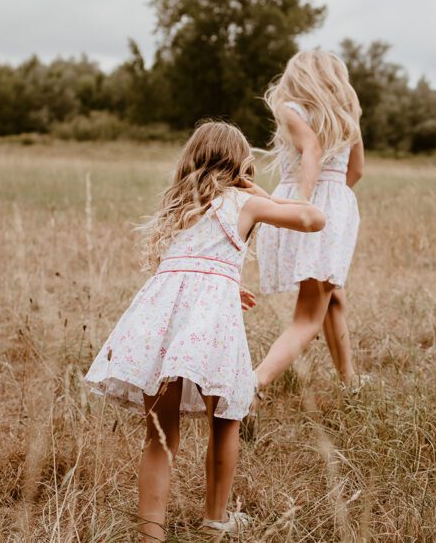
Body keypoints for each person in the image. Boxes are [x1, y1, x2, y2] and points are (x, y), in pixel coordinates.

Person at [84, 121, 325, 540]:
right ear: (241, 166)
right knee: (226, 417)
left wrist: (229, 285)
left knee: (160, 434)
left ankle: (150, 535)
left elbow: (187, 270)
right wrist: (260, 192)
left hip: (160, 322)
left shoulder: (180, 206)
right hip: (211, 326)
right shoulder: (243, 202)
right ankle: (215, 519)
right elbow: (313, 218)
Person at [256, 50, 366, 391]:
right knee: (307, 317)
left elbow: (310, 150)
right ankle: (252, 386)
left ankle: (349, 382)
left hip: (308, 208)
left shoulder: (291, 109)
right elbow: (353, 168)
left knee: (332, 297)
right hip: (326, 212)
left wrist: (303, 202)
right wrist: (325, 204)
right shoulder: (346, 116)